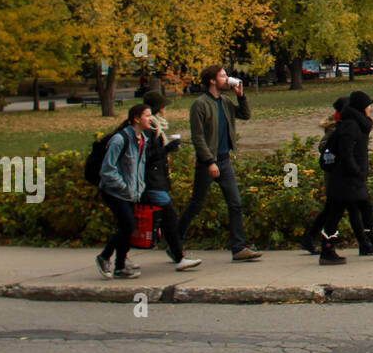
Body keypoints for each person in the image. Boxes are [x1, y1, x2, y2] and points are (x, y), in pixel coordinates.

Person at [177, 65, 262, 262]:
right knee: (196, 203)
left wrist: (241, 96)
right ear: (212, 81)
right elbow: (198, 138)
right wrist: (209, 161)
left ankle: (238, 248)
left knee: (235, 204)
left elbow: (245, 115)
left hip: (224, 161)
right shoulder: (200, 104)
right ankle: (176, 241)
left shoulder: (224, 101)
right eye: (223, 76)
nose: (227, 78)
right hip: (209, 163)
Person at [316, 90, 373, 265]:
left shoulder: (355, 123)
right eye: (368, 105)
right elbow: (346, 153)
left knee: (350, 211)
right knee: (345, 211)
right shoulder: (350, 125)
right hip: (347, 179)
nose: (370, 108)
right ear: (362, 107)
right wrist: (357, 171)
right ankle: (330, 250)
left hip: (350, 179)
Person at [298, 97, 367, 255]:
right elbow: (324, 146)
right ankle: (364, 244)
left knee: (334, 209)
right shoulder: (336, 127)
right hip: (336, 175)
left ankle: (310, 238)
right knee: (351, 208)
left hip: (341, 174)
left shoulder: (346, 124)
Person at [142, 91, 201, 271]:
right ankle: (179, 256)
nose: (165, 109)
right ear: (158, 108)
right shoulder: (151, 129)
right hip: (153, 181)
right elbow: (148, 157)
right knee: (169, 219)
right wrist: (167, 148)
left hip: (155, 181)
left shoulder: (155, 127)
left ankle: (119, 258)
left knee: (137, 222)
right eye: (163, 106)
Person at [96, 103, 149, 280]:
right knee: (128, 225)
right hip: (114, 191)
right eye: (147, 116)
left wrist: (138, 189)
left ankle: (120, 266)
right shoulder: (120, 140)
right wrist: (125, 187)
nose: (151, 119)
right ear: (136, 119)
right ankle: (104, 256)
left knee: (126, 227)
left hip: (131, 192)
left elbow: (138, 169)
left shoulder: (143, 140)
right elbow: (107, 170)